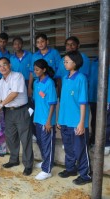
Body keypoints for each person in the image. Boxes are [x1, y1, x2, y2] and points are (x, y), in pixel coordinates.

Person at [0, 57, 34, 176]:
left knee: (25, 139)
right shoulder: (0, 82)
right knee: (11, 137)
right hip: (9, 112)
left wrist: (1, 104)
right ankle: (14, 160)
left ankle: (28, 165)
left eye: (4, 64)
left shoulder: (17, 76)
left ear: (9, 65)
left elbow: (14, 93)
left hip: (21, 111)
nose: (2, 67)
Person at [57, 51, 91, 185]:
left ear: (75, 63)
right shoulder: (65, 78)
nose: (64, 63)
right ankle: (70, 169)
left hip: (77, 122)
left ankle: (85, 175)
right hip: (65, 120)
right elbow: (64, 101)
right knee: (68, 147)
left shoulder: (81, 78)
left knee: (80, 149)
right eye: (64, 61)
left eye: (67, 61)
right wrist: (60, 119)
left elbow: (83, 102)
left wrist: (82, 123)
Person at [32, 59, 57, 180]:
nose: (35, 71)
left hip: (47, 120)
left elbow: (52, 104)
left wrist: (48, 122)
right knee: (41, 142)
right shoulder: (36, 82)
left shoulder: (50, 83)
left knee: (48, 145)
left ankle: (47, 170)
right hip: (38, 118)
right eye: (34, 69)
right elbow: (37, 102)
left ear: (44, 69)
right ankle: (45, 161)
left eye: (37, 69)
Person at [28, 33, 61, 97]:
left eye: (42, 41)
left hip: (51, 81)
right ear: (36, 45)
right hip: (38, 81)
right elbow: (31, 72)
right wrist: (29, 87)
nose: (40, 44)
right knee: (39, 99)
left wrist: (59, 86)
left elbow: (59, 70)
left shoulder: (54, 53)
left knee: (51, 99)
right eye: (38, 42)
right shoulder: (34, 56)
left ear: (47, 42)